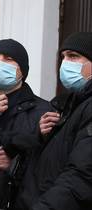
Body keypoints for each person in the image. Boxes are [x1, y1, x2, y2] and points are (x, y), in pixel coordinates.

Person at [12, 32, 92, 210]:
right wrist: (38, 136)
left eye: (74, 56)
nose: (65, 63)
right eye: (63, 57)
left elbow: (81, 177)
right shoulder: (63, 108)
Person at [0, 39, 51, 208]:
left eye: (8, 59)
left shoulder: (42, 111)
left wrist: (14, 165)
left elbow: (47, 165)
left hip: (17, 201)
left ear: (22, 70)